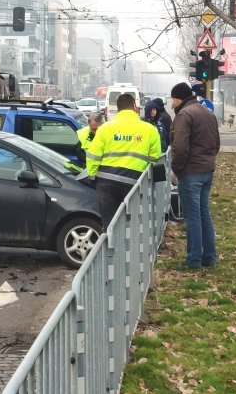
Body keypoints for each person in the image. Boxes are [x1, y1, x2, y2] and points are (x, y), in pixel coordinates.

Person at [86, 93, 162, 230]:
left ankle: (111, 249)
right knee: (133, 223)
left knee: (110, 225)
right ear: (134, 107)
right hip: (135, 182)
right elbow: (154, 158)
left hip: (106, 181)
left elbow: (92, 155)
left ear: (118, 108)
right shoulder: (150, 130)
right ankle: (131, 250)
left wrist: (92, 176)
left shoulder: (105, 128)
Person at [169, 82, 221, 270]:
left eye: (173, 99)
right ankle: (209, 257)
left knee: (193, 217)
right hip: (207, 171)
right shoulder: (208, 113)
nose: (172, 103)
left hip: (190, 173)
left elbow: (180, 147)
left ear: (178, 98)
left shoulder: (185, 114)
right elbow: (216, 144)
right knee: (204, 214)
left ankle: (193, 261)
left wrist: (177, 168)